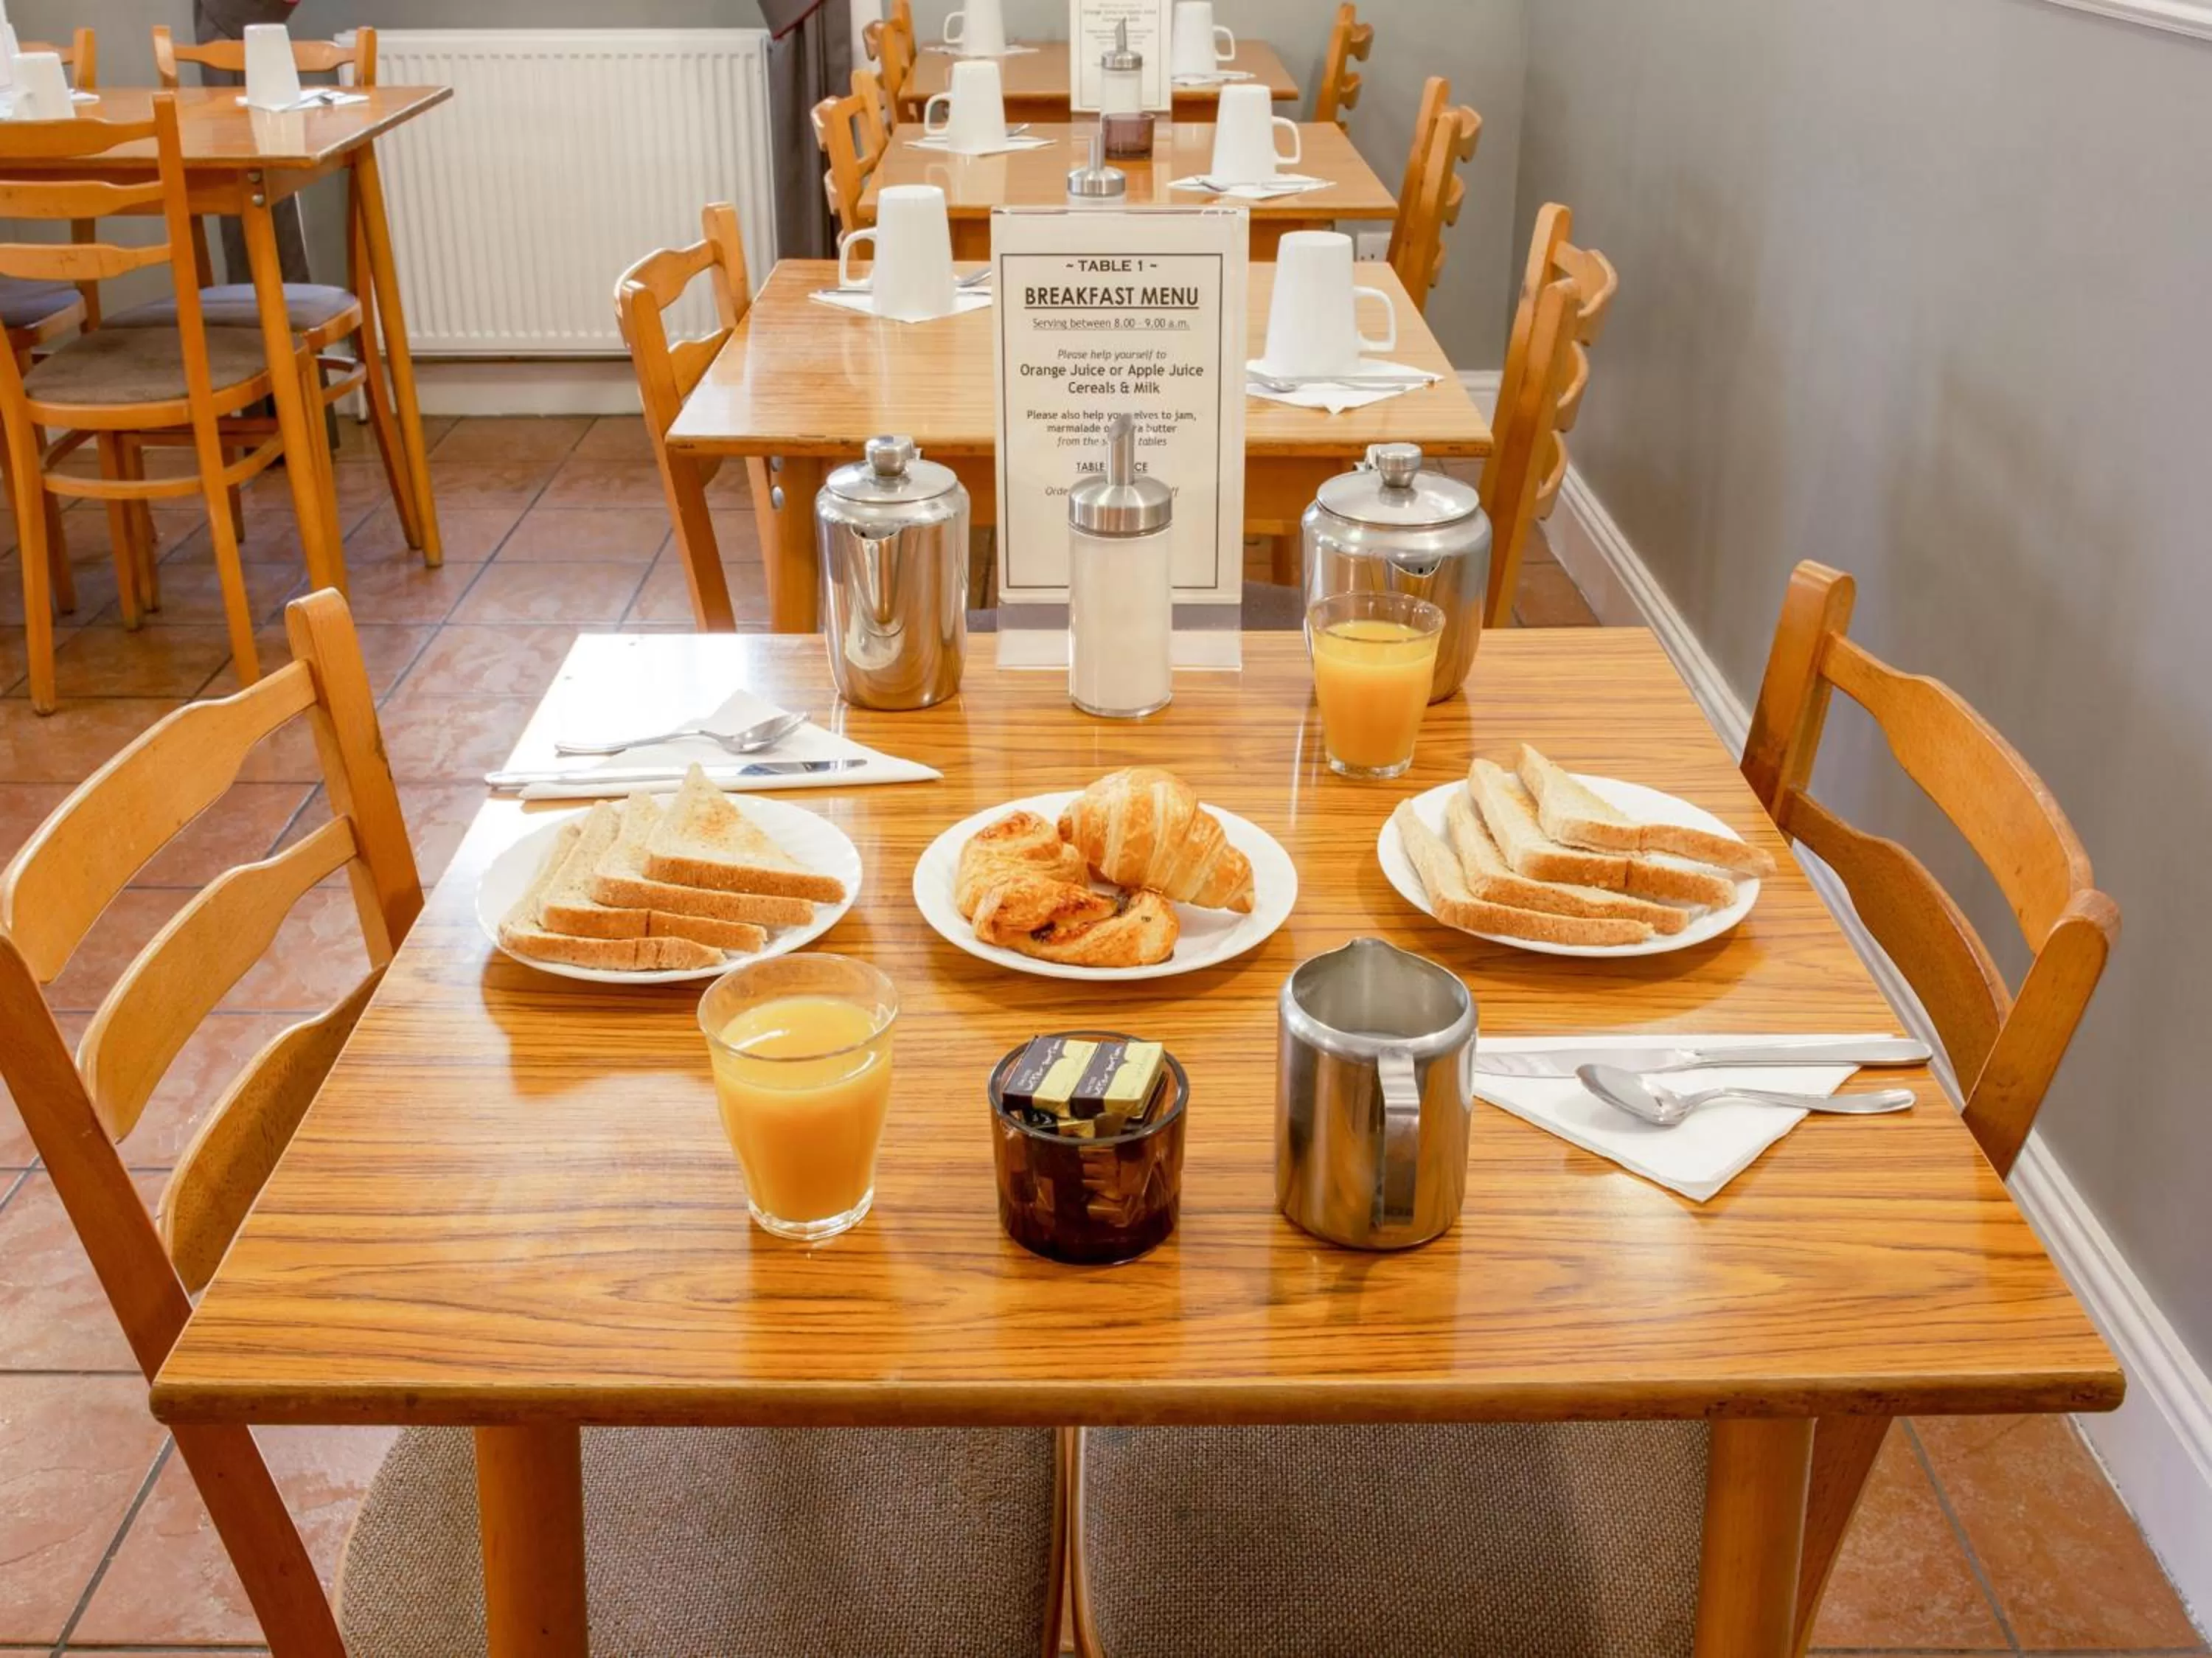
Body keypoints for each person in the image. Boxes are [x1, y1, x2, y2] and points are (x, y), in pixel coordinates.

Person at [193, 0, 313, 286]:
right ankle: (263, 311)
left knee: (259, 169)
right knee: (244, 169)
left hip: (241, 23)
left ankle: (280, 310)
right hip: (230, 24)